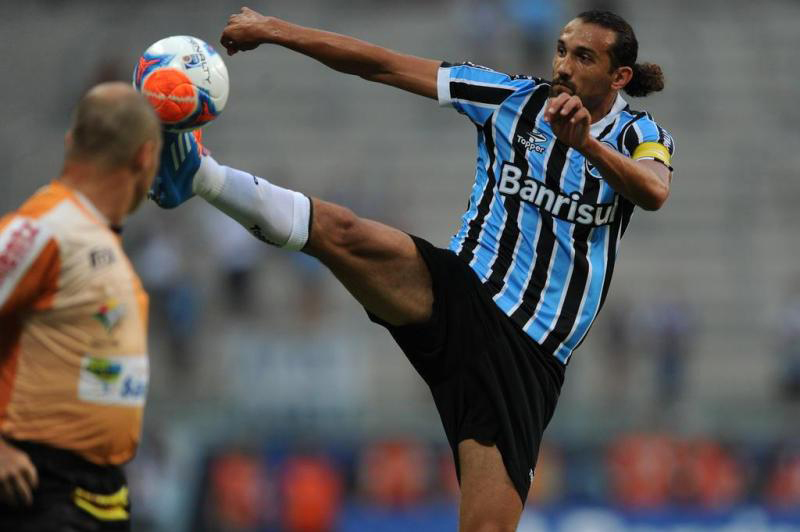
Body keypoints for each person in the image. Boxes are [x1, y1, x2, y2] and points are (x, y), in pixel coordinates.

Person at [152, 8, 675, 530]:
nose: (563, 65)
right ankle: (197, 173)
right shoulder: (510, 98)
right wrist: (274, 30)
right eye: (562, 49)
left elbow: (652, 190)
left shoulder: (642, 133)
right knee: (346, 234)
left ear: (619, 76)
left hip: (528, 355)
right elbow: (381, 65)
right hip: (460, 295)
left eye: (584, 56)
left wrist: (584, 144)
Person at [0, 82, 162, 531]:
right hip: (35, 486)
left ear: (71, 143)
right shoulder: (45, 229)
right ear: (145, 158)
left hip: (97, 494)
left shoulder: (90, 234)